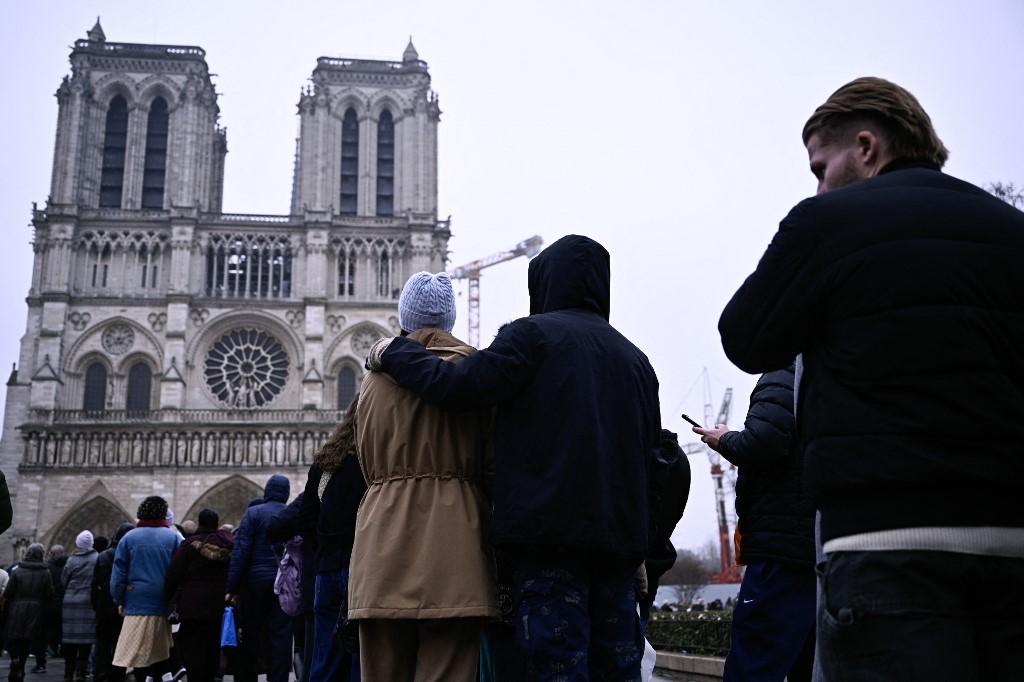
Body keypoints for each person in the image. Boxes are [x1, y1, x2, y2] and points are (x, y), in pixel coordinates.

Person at [717, 76, 1024, 681]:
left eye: (820, 165)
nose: (818, 183)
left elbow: (745, 338)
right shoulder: (1011, 230)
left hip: (885, 542)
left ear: (866, 146)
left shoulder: (827, 223)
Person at [368, 236, 661, 679]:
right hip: (619, 549)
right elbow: (653, 463)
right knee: (617, 672)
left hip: (548, 544)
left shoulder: (532, 337)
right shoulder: (637, 361)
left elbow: (457, 388)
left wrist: (396, 350)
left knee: (556, 668)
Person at [350, 272, 498, 681]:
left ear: (405, 316)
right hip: (457, 545)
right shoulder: (476, 373)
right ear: (449, 318)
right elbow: (491, 465)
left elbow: (366, 462)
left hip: (380, 545)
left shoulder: (373, 382)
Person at [693, 366, 815, 682]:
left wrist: (726, 439)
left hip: (781, 546)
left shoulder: (783, 374)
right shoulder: (828, 368)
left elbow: (764, 442)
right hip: (817, 545)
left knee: (755, 661)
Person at [297, 404, 368, 682]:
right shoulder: (373, 461)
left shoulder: (325, 464)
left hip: (326, 572)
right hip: (362, 569)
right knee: (361, 657)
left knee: (325, 657)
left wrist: (325, 550)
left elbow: (304, 521)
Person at [225, 474, 292, 682]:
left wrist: (232, 587)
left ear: (267, 491)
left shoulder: (253, 513)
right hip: (283, 584)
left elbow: (241, 552)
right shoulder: (291, 513)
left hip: (254, 584)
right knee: (281, 637)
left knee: (251, 635)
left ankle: (248, 677)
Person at [111, 496, 182, 682]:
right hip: (162, 601)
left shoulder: (129, 538)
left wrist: (119, 599)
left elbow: (118, 575)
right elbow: (179, 574)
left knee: (128, 652)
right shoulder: (173, 537)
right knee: (159, 650)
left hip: (135, 601)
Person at [164, 509, 235, 682]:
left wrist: (169, 597)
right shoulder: (228, 544)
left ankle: (195, 676)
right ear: (217, 523)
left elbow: (174, 573)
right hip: (219, 603)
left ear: (199, 523)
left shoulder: (190, 544)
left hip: (192, 604)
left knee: (193, 645)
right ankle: (211, 676)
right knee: (213, 644)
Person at [2, 543, 55, 682]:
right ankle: (21, 667)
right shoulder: (45, 572)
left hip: (16, 607)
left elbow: (7, 592)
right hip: (36, 609)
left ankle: (15, 659)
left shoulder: (18, 570)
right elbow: (50, 594)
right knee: (26, 640)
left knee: (15, 638)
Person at [92, 523, 134, 682]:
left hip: (103, 606)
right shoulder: (130, 555)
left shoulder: (102, 556)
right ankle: (117, 674)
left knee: (102, 642)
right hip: (122, 606)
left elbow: (93, 584)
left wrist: (96, 606)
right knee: (120, 643)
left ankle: (100, 672)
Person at [62, 530, 99, 682]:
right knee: (86, 642)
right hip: (88, 602)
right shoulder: (97, 558)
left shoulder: (71, 560)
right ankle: (80, 674)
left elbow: (64, 581)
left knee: (70, 642)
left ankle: (67, 675)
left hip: (70, 603)